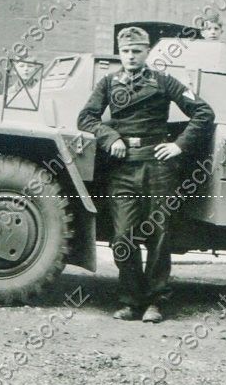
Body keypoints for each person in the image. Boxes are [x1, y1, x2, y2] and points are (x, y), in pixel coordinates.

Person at [77, 26, 215, 323]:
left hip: (158, 168)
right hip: (123, 169)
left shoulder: (163, 81)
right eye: (126, 51)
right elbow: (86, 118)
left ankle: (155, 302)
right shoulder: (108, 83)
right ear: (120, 53)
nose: (131, 56)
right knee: (122, 237)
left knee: (159, 235)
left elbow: (203, 113)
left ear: (147, 52)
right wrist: (110, 136)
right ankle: (130, 300)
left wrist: (179, 145)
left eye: (137, 51)